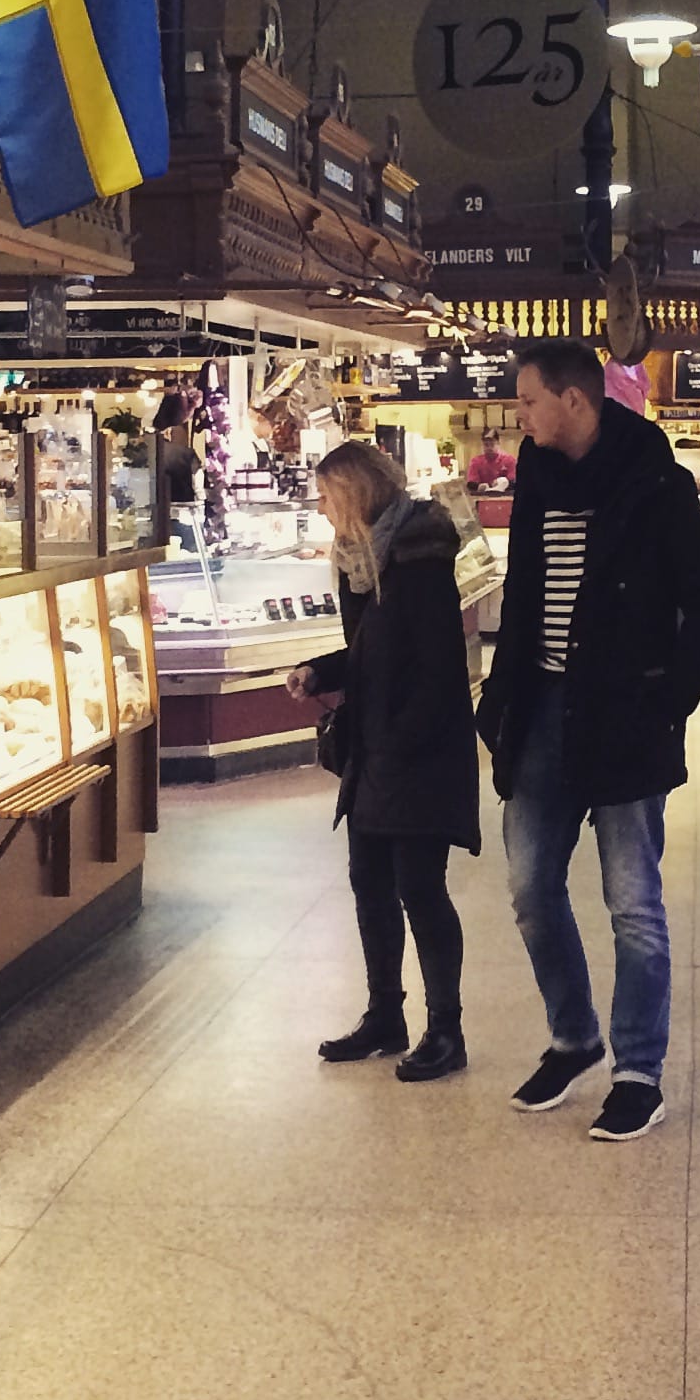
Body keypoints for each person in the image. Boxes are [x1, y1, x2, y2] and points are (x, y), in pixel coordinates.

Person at [478, 339, 700, 1140]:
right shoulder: (537, 478)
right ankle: (573, 1037)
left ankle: (637, 1069)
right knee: (529, 891)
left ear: (574, 402)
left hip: (625, 716)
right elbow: (525, 602)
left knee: (633, 903)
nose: (518, 417)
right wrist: (500, 701)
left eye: (527, 402)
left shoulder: (654, 482)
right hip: (540, 712)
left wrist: (670, 699)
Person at [287, 440, 478, 1082]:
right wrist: (319, 672)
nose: (320, 507)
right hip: (375, 747)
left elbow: (435, 664)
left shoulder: (417, 553)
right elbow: (371, 651)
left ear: (355, 493)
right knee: (369, 880)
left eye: (326, 494)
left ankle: (445, 1030)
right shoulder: (360, 560)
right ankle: (384, 1017)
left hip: (417, 749)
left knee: (420, 888)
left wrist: (403, 739)